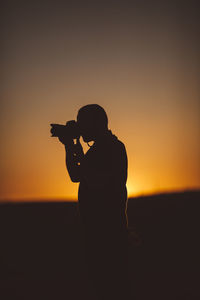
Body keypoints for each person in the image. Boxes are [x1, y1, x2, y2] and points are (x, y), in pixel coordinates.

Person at [58, 104, 130, 300]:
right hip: (94, 232)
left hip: (109, 234)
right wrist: (68, 146)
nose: (80, 129)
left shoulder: (114, 147)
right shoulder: (97, 149)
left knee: (111, 288)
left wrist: (79, 152)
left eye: (82, 123)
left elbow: (99, 182)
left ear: (95, 124)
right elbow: (76, 175)